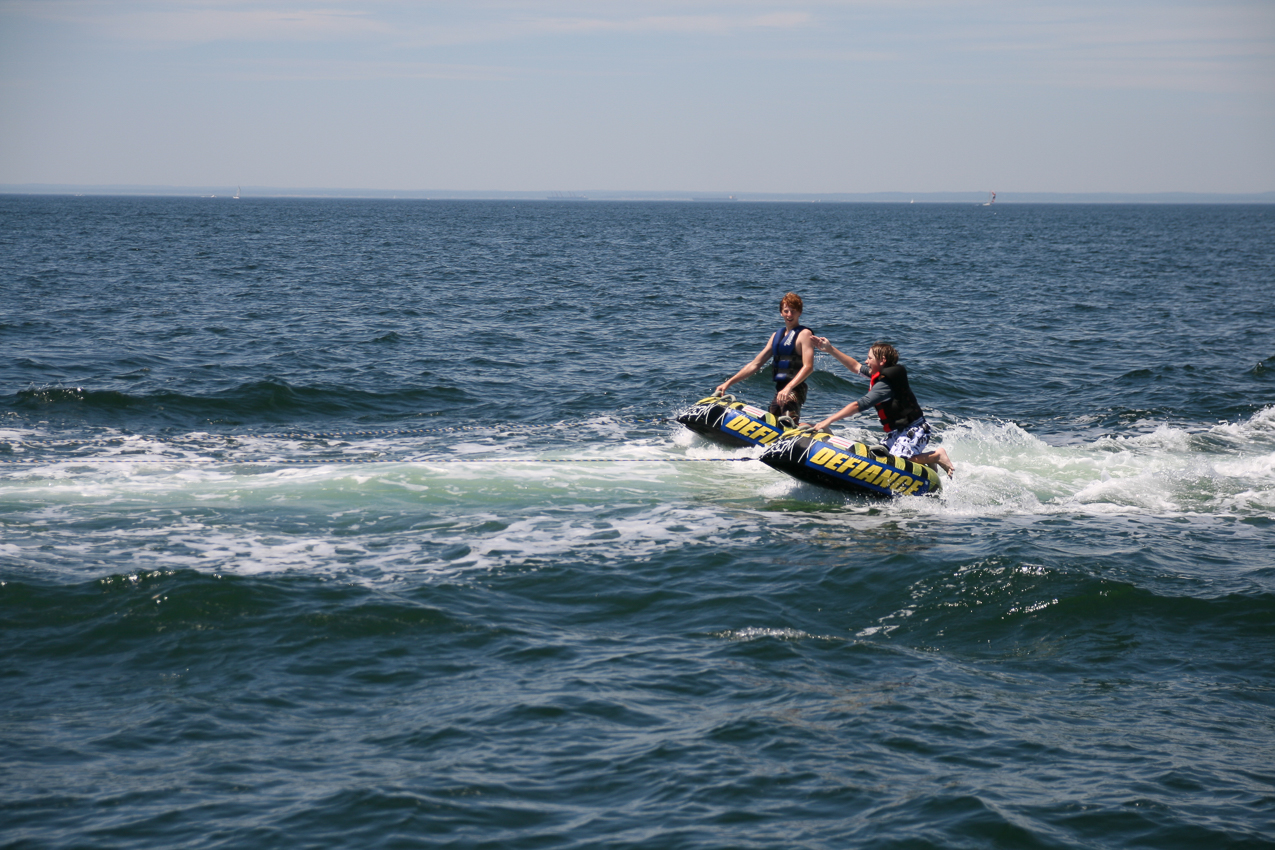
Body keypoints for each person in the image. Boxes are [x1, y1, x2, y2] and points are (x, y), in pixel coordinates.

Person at [809, 339, 954, 477]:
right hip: (899, 431)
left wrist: (827, 421)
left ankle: (936, 456)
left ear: (882, 360)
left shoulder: (886, 385)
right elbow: (855, 366)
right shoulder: (879, 375)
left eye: (869, 358)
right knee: (879, 458)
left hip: (916, 430)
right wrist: (830, 349)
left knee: (896, 464)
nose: (866, 361)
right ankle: (926, 461)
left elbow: (859, 405)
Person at [714, 292, 815, 421]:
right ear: (781, 313)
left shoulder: (804, 334)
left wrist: (789, 387)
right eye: (786, 311)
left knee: (788, 423)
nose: (789, 315)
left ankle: (819, 432)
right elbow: (755, 364)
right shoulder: (776, 336)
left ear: (800, 312)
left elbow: (809, 367)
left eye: (793, 311)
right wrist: (728, 383)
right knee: (773, 422)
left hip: (794, 389)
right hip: (780, 390)